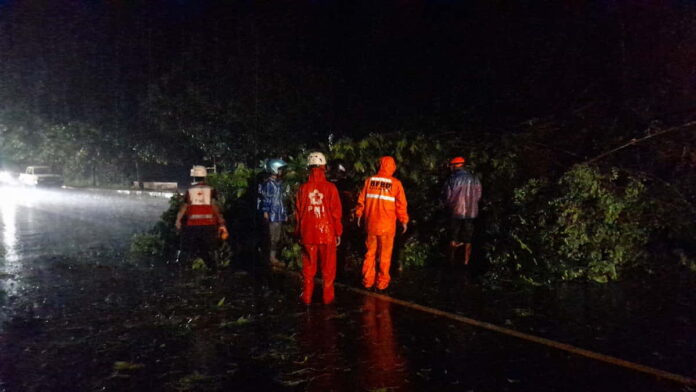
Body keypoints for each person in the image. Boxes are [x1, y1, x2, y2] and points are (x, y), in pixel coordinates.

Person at [295, 152, 343, 305]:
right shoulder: (331, 187)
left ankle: (307, 297)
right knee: (328, 269)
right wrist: (338, 232)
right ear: (324, 167)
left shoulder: (303, 189)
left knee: (308, 269)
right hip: (327, 234)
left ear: (309, 167)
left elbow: (298, 213)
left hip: (308, 234)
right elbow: (336, 213)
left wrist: (298, 233)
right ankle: (327, 299)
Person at [355, 156, 408, 291]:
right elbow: (401, 205)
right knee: (384, 256)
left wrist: (359, 215)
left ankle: (367, 281)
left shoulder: (369, 181)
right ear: (393, 167)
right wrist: (404, 220)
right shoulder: (396, 183)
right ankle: (382, 283)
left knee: (370, 253)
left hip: (371, 224)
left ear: (379, 165)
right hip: (387, 226)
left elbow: (361, 201)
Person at [175, 165, 228, 269]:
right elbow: (215, 207)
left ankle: (182, 269)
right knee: (211, 250)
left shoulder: (190, 191)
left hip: (192, 226)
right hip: (209, 225)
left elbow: (184, 207)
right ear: (205, 177)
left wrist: (178, 220)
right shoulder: (211, 190)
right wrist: (221, 222)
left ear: (194, 177)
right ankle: (215, 270)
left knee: (186, 249)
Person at [441, 156, 482, 267]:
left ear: (455, 166)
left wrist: (448, 207)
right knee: (468, 238)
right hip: (471, 213)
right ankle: (466, 262)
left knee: (453, 236)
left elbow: (447, 197)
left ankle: (451, 261)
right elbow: (478, 196)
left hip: (455, 212)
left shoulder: (451, 179)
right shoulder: (474, 178)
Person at [258, 158, 289, 268]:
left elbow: (281, 200)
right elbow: (266, 198)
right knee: (271, 238)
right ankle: (270, 258)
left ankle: (272, 257)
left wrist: (284, 213)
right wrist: (266, 211)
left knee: (276, 238)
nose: (282, 172)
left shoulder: (279, 184)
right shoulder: (269, 184)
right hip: (272, 214)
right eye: (280, 169)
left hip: (278, 214)